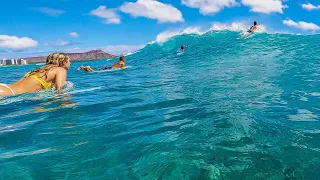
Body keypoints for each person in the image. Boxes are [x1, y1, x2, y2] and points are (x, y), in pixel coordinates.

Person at [0, 52, 71, 96]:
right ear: (63, 62)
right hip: (8, 93)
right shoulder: (61, 70)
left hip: (5, 87)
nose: (70, 63)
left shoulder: (38, 70)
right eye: (69, 60)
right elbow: (60, 91)